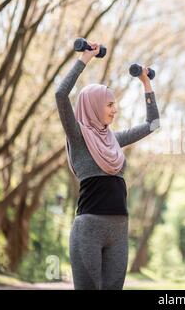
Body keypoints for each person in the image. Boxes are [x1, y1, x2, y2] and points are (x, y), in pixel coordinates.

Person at [55, 42, 160, 289]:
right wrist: (85, 58)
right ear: (93, 105)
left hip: (119, 230)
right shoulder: (78, 137)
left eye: (115, 104)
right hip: (88, 229)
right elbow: (60, 95)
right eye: (110, 104)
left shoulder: (114, 140)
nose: (116, 109)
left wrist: (146, 82)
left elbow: (154, 124)